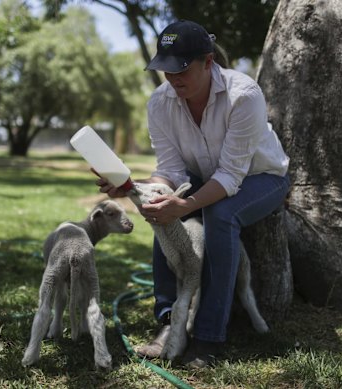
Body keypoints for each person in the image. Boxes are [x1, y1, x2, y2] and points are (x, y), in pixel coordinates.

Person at [96, 20, 290, 368]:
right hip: (207, 179)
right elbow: (169, 171)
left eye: (182, 68)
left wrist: (185, 204)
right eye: (166, 70)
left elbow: (231, 176)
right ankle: (169, 322)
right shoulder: (160, 103)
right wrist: (133, 188)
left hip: (262, 178)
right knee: (160, 205)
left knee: (220, 214)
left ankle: (208, 337)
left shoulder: (243, 95)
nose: (173, 79)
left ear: (208, 62)